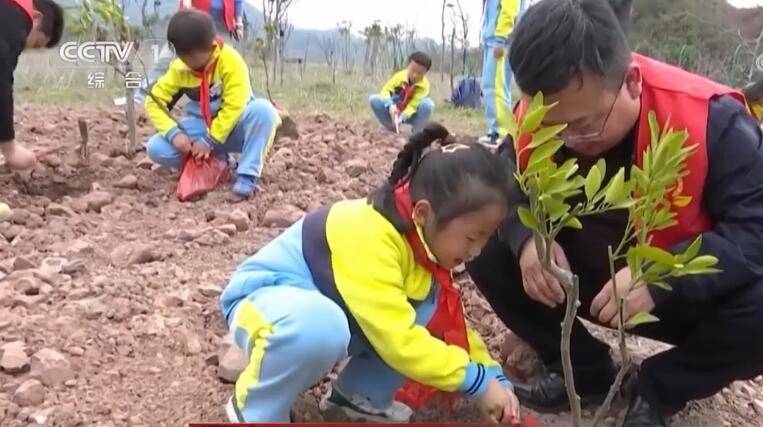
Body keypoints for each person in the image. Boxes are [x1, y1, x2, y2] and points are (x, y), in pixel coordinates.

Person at [465, 1, 763, 426]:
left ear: (631, 81)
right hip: (584, 285)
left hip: (674, 300)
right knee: (483, 243)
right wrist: (526, 242)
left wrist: (664, 277)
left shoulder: (711, 119)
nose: (570, 140)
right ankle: (585, 373)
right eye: (554, 129)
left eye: (586, 125)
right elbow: (504, 180)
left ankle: (659, 389)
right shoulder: (540, 113)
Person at [218, 123, 521, 423]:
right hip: (264, 303)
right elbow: (397, 340)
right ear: (424, 213)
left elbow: (449, 326)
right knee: (327, 326)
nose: (477, 251)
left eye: (485, 238)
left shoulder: (421, 241)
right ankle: (257, 409)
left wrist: (491, 374)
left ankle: (358, 398)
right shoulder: (371, 235)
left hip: (326, 311)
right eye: (472, 237)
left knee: (425, 307)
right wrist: (476, 382)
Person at [144, 10, 280, 199]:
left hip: (234, 127)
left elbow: (235, 105)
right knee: (156, 148)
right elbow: (154, 101)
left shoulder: (230, 61)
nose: (187, 64)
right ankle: (218, 163)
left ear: (210, 45)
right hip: (200, 129)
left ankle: (247, 174)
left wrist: (210, 140)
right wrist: (174, 134)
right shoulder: (179, 68)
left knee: (264, 111)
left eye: (191, 57)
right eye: (182, 58)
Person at [136, 0, 245, 104]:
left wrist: (239, 22)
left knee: (224, 69)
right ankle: (139, 98)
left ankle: (222, 106)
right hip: (194, 19)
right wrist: (187, 6)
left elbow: (238, 1)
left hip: (223, 26)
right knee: (167, 59)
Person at [0, 0, 64, 171]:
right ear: (36, 17)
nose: (24, 49)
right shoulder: (14, 16)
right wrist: (10, 148)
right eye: (35, 44)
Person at [479, 0, 528, 146]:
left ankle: (499, 133)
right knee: (492, 85)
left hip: (500, 40)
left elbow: (510, 10)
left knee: (496, 87)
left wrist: (500, 39)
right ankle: (496, 130)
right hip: (492, 40)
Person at [368, 51, 434, 133]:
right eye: (412, 70)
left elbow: (413, 106)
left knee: (427, 105)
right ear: (408, 65)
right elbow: (385, 91)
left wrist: (402, 118)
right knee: (374, 99)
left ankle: (417, 132)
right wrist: (390, 105)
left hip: (411, 114)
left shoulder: (424, 86)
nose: (415, 75)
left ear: (425, 73)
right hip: (394, 111)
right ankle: (391, 127)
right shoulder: (399, 76)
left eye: (419, 73)